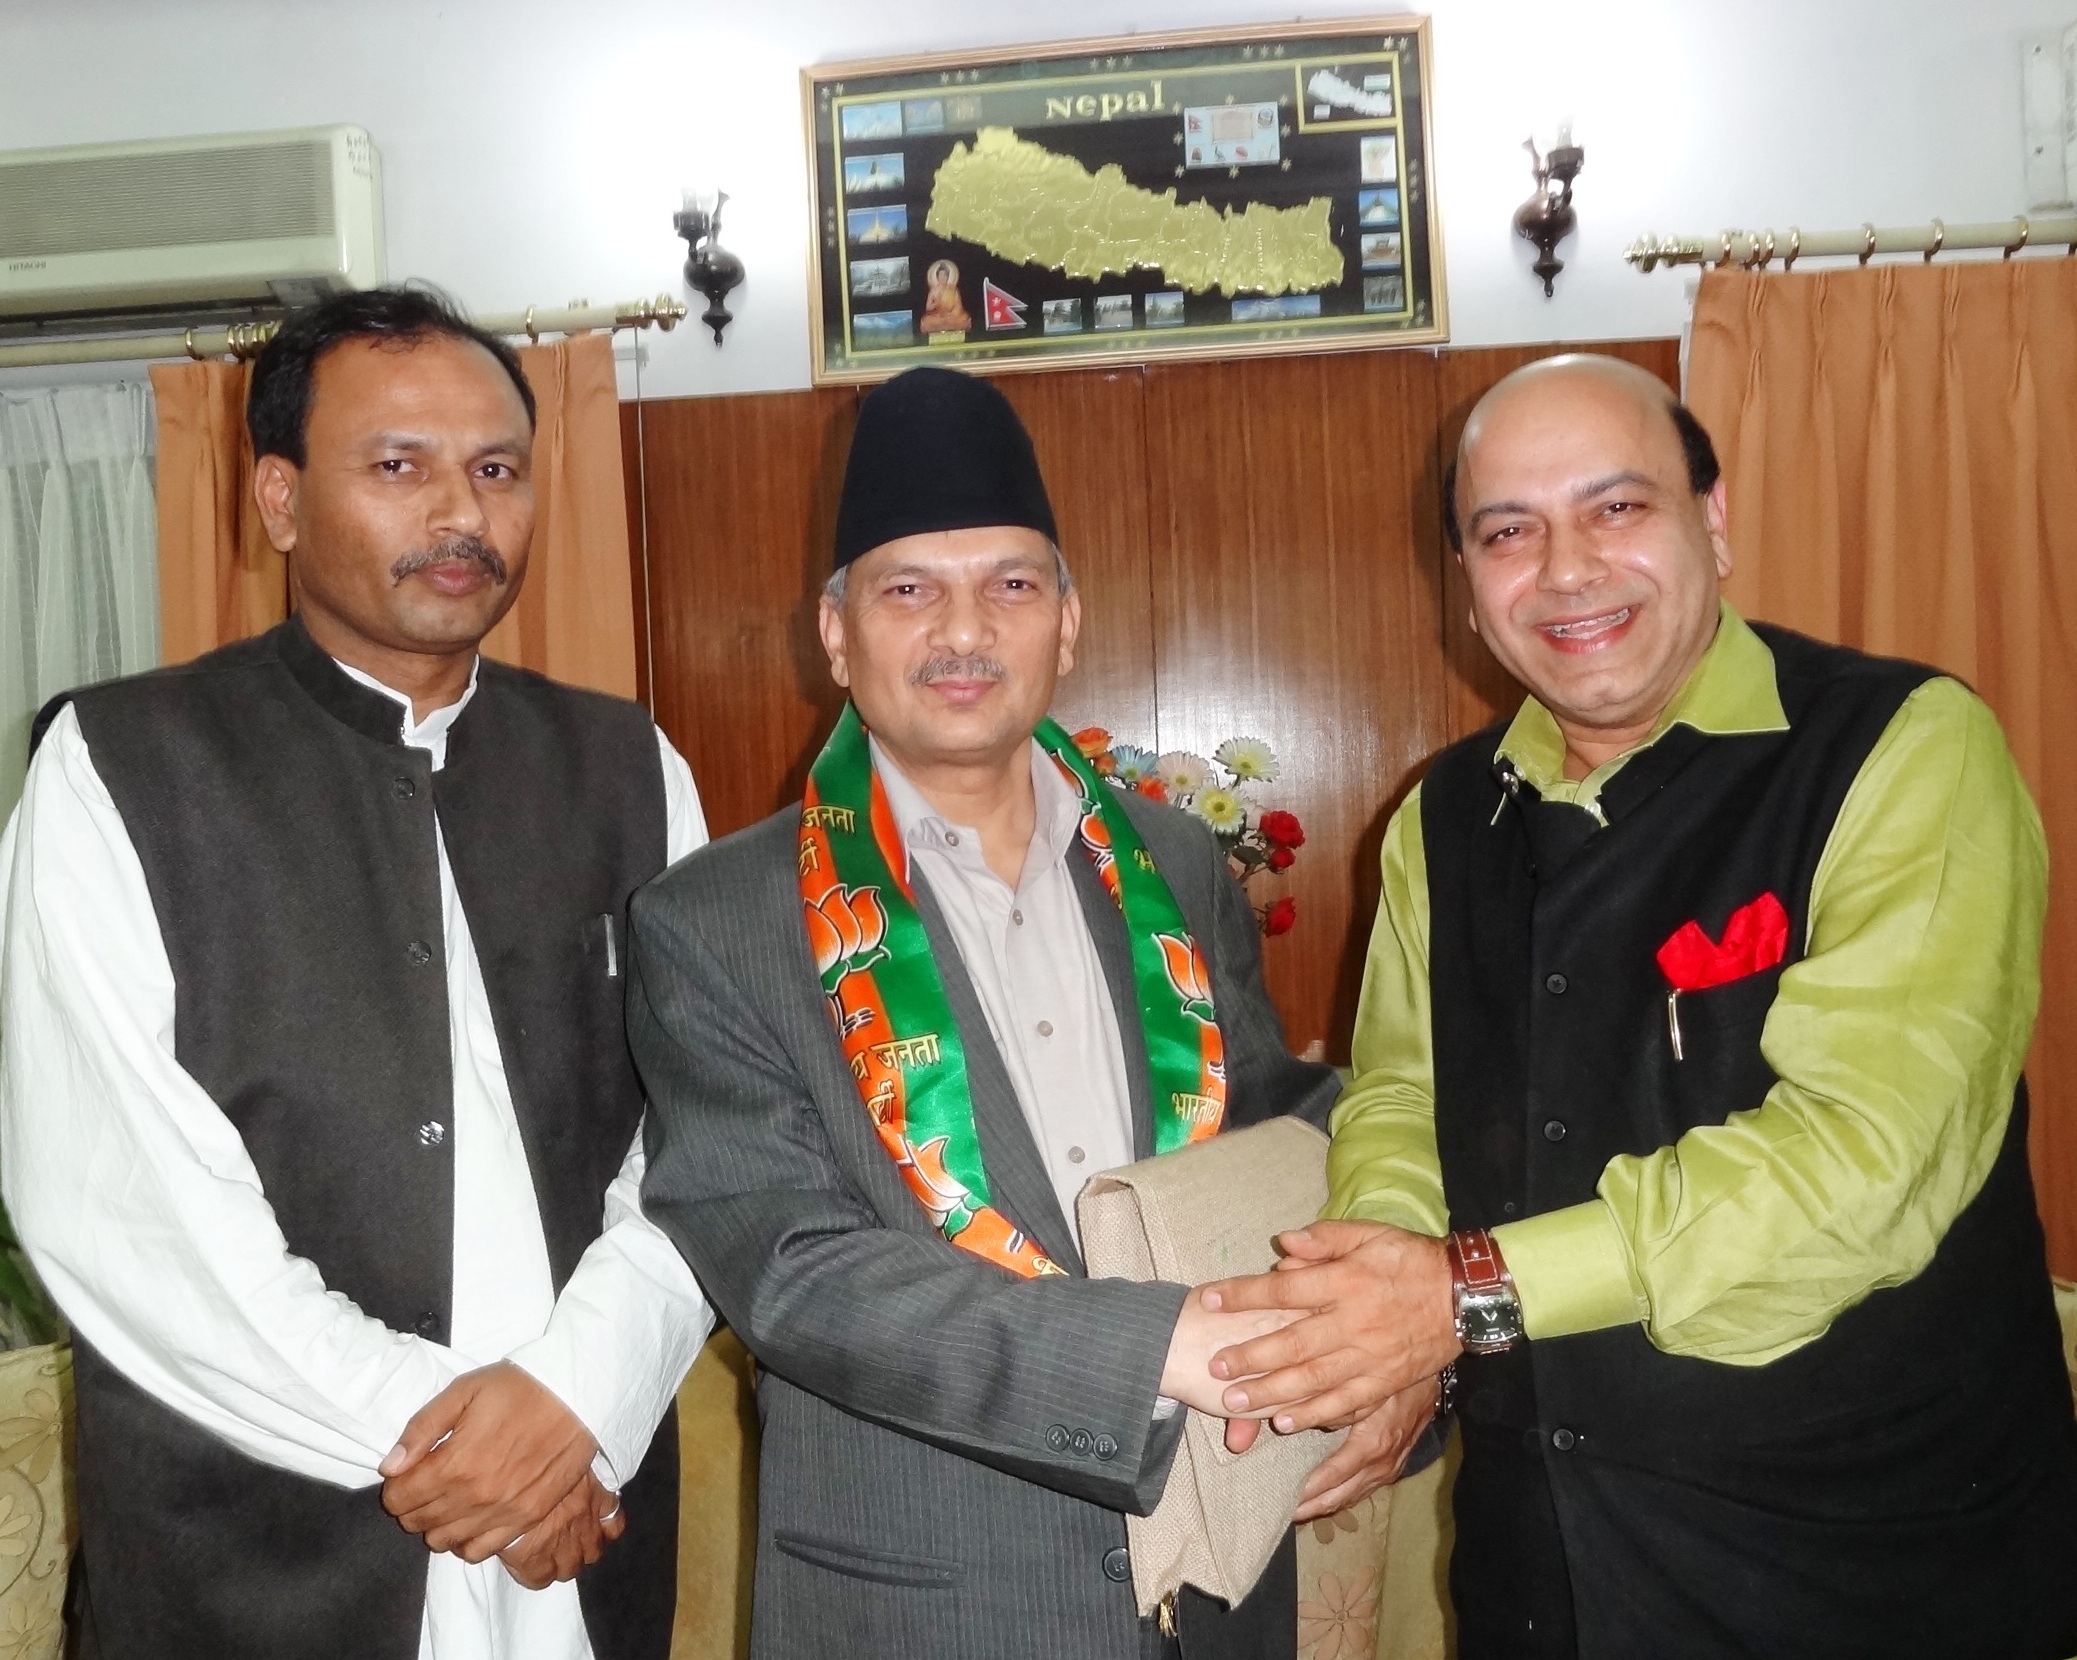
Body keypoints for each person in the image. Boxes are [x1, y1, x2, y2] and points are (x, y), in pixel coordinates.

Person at [1197, 354, 2077, 1659]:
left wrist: (1456, 1295)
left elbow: (1867, 1160)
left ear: (1709, 520)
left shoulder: (1899, 749)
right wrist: (1388, 1329)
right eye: (1508, 530)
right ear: (1466, 579)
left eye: (1615, 508)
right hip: (1541, 1572)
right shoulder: (1437, 818)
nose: (1564, 570)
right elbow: (1399, 1096)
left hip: (1870, 1573)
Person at [0, 287, 713, 1659]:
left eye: (496, 470)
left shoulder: (630, 769)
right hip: (270, 1550)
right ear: (276, 500)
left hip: (581, 1522)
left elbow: (705, 1142)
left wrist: (579, 1406)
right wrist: (466, 1450)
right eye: (399, 467)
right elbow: (124, 1208)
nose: (462, 513)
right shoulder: (122, 768)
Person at [625, 366, 1353, 1660]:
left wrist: (1383, 1316)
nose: (964, 631)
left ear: (1066, 623)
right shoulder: (714, 923)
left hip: (1218, 1572)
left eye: (1010, 586)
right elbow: (793, 1273)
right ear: (836, 634)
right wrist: (1146, 1352)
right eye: (910, 590)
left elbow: (1271, 1130)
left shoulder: (1178, 867)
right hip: (922, 1602)